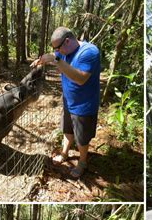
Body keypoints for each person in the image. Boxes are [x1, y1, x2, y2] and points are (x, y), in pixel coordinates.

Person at [31, 27, 100, 178]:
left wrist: (56, 60)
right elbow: (54, 58)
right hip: (68, 101)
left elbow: (81, 79)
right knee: (67, 129)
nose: (56, 51)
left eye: (57, 48)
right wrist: (41, 60)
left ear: (67, 41)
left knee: (81, 138)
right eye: (54, 49)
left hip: (84, 105)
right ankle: (64, 153)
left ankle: (82, 162)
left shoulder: (89, 52)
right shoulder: (63, 51)